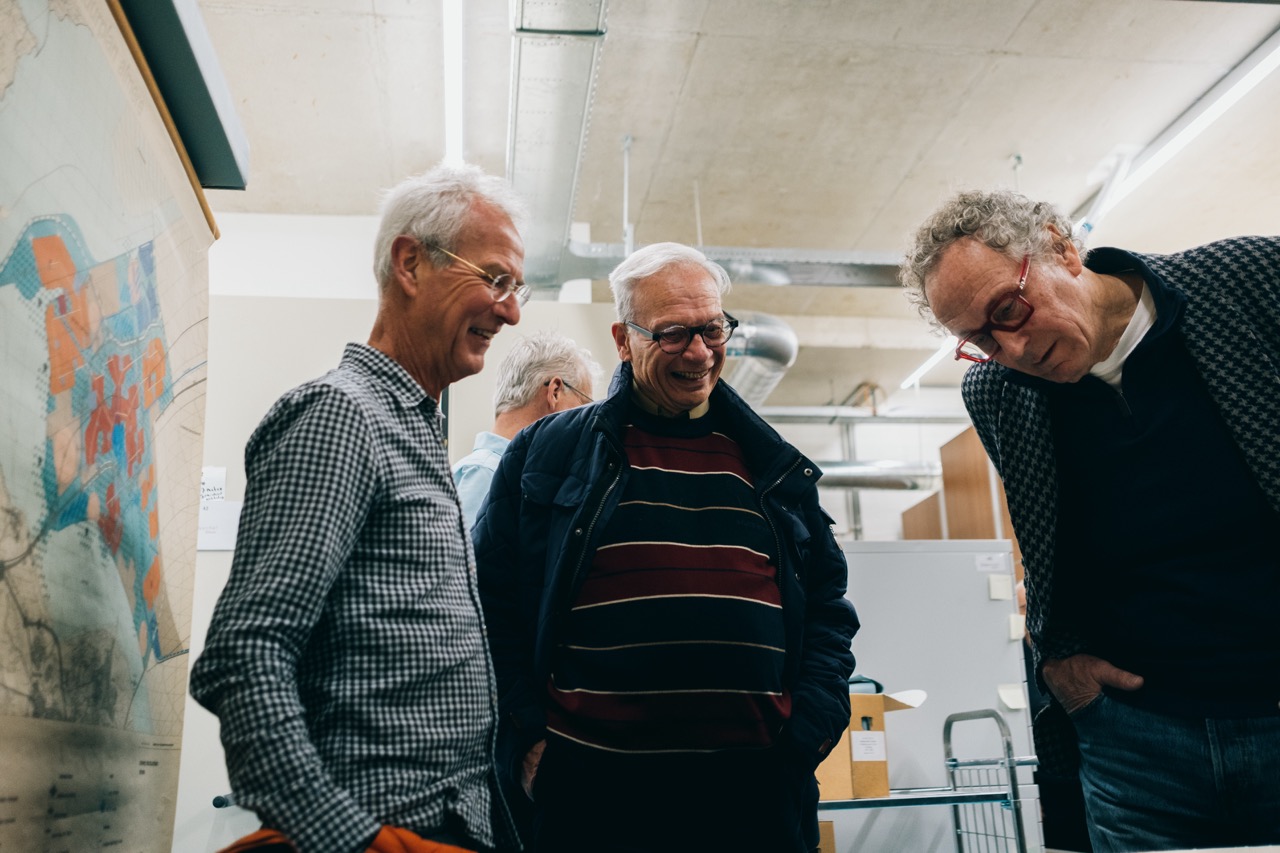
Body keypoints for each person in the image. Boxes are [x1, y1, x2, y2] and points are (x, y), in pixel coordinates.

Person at [900, 189, 1280, 853]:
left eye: (1010, 310)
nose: (1011, 346)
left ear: (1061, 246)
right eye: (980, 339)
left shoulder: (1248, 279)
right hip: (1140, 743)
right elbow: (1050, 549)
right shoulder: (998, 393)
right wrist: (1062, 662)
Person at [472, 241, 859, 853]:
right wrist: (527, 742)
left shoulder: (768, 463)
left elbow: (827, 609)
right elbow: (491, 604)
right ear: (623, 340)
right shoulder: (548, 452)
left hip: (754, 799)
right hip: (594, 800)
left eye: (712, 329)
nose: (700, 353)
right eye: (674, 334)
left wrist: (808, 732)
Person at [189, 163, 529, 853]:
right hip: (385, 824)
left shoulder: (417, 429)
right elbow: (243, 654)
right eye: (496, 279)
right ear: (410, 262)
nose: (511, 311)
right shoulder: (342, 415)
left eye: (517, 289)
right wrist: (353, 840)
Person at [453, 330, 599, 528]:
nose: (585, 423)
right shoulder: (484, 475)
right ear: (555, 391)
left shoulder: (504, 475)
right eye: (584, 405)